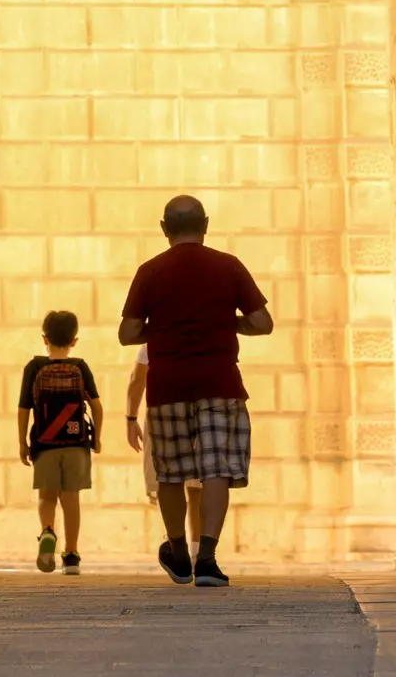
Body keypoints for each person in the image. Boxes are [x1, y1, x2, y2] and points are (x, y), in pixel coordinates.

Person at [118, 195, 274, 588]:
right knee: (217, 468)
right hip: (220, 382)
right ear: (205, 224)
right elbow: (262, 323)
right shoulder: (229, 266)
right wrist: (227, 323)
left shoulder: (149, 271)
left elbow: (128, 334)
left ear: (163, 227)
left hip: (168, 384)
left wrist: (167, 326)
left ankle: (176, 552)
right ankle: (207, 558)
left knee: (169, 471)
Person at [17, 310, 103, 575]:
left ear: (45, 338)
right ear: (74, 341)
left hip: (44, 444)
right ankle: (72, 555)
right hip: (75, 444)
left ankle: (47, 532)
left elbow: (23, 408)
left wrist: (22, 442)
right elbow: (97, 407)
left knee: (46, 496)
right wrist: (96, 438)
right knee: (71, 499)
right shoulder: (79, 366)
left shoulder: (35, 368)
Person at [125, 349, 203, 549]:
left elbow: (137, 379)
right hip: (200, 410)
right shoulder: (203, 329)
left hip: (164, 411)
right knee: (197, 487)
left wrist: (131, 418)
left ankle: (176, 543)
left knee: (168, 481)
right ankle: (196, 550)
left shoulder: (157, 336)